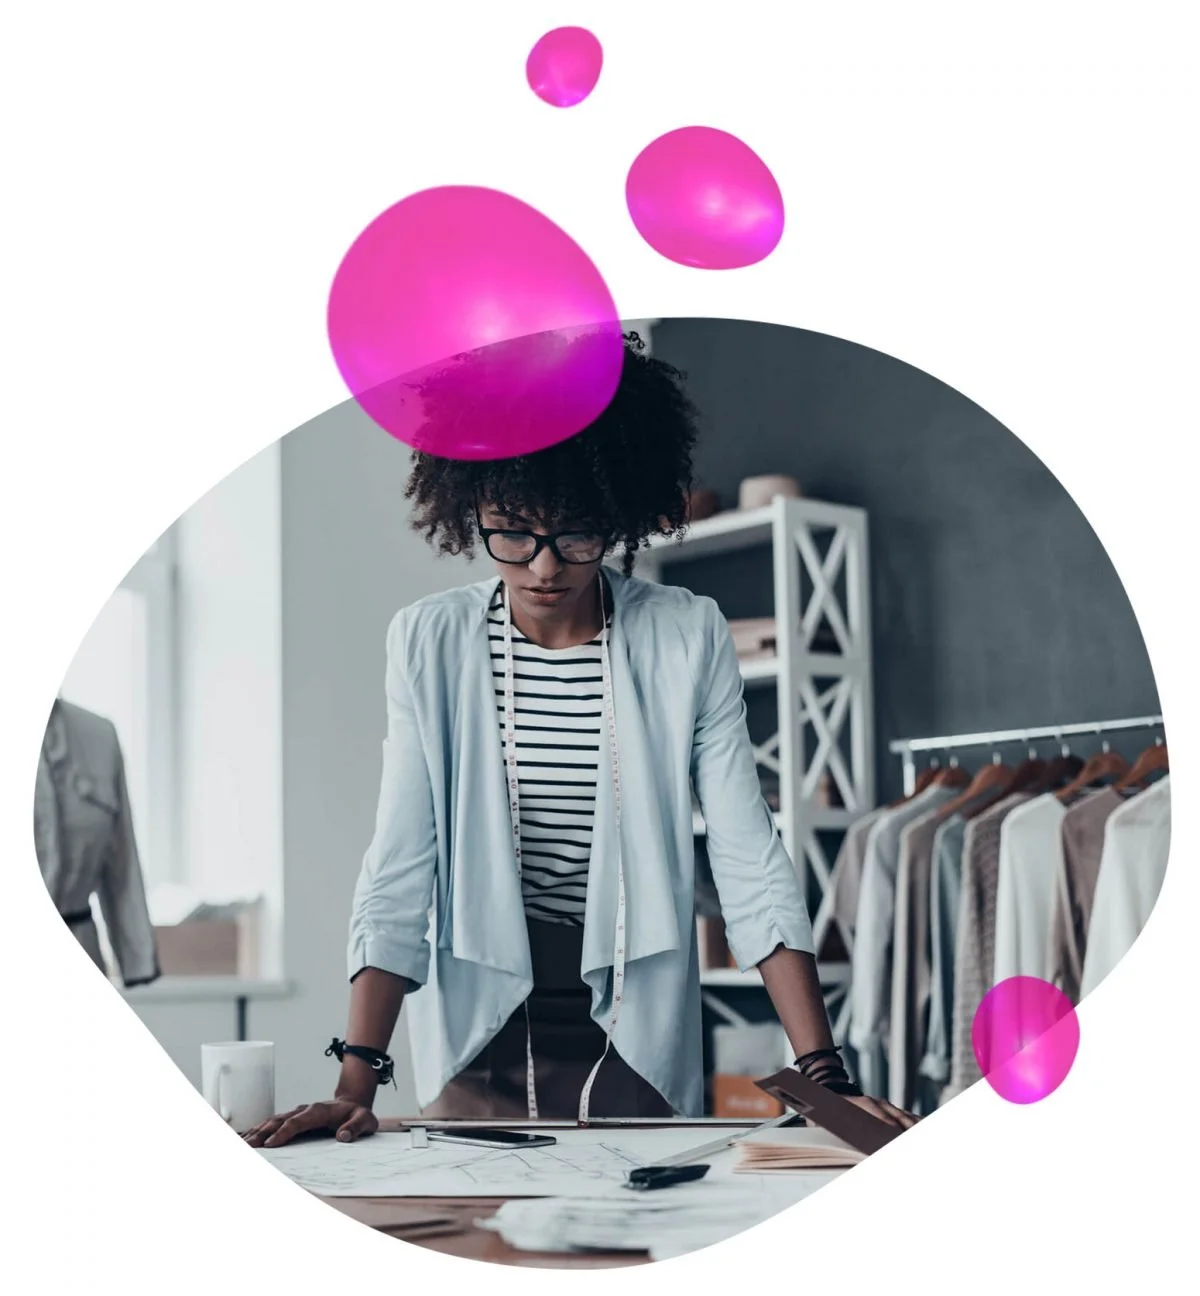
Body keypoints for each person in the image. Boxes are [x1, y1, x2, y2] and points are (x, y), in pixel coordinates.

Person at [244, 333, 916, 1149]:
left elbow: (749, 860)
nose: (543, 567)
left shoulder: (685, 636)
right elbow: (399, 866)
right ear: (472, 510)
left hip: (635, 1023)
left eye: (578, 534)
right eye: (513, 533)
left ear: (619, 515)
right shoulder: (430, 643)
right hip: (480, 1028)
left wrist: (824, 1076)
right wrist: (356, 1080)